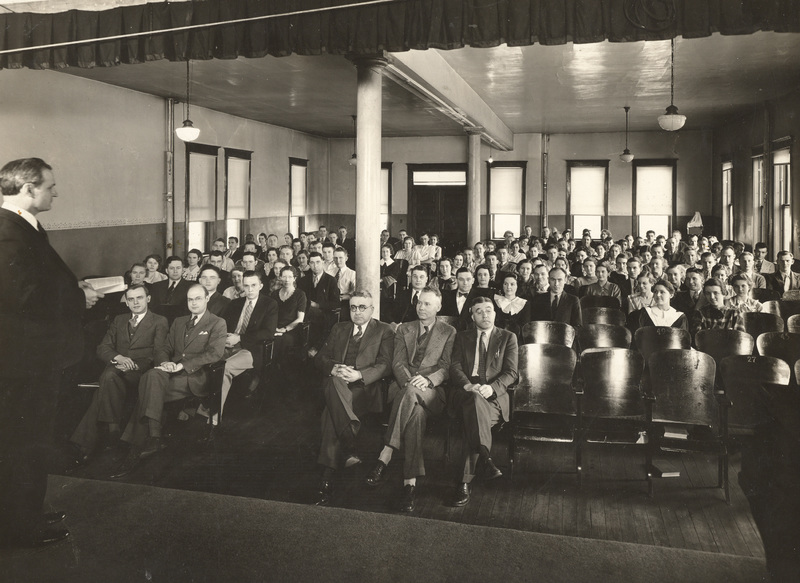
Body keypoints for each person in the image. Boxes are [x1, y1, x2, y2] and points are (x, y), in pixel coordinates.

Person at [0, 158, 104, 547]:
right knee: (22, 444)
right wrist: (79, 297)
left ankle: (26, 513)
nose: (55, 192)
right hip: (24, 362)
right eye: (50, 186)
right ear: (27, 188)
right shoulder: (8, 232)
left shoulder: (24, 226)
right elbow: (24, 296)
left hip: (33, 359)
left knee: (30, 442)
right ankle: (18, 527)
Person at [114, 284, 226, 477]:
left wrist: (183, 365)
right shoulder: (179, 321)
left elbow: (214, 354)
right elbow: (164, 347)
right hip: (172, 371)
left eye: (198, 298)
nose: (193, 303)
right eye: (190, 299)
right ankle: (154, 438)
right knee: (151, 376)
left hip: (194, 376)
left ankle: (140, 445)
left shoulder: (217, 322)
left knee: (147, 388)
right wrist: (165, 362)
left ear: (207, 299)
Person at [364, 287, 456, 512]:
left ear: (438, 307)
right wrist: (410, 381)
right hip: (404, 386)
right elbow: (397, 363)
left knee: (412, 396)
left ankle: (386, 453)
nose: (421, 307)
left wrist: (429, 380)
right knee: (415, 416)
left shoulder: (449, 332)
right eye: (419, 303)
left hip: (432, 390)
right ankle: (410, 484)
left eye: (427, 304)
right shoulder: (404, 329)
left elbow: (446, 366)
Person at [70, 284, 169, 462]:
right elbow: (103, 348)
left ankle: (95, 438)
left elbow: (158, 351)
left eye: (139, 297)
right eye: (131, 299)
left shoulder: (159, 321)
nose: (135, 302)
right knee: (109, 376)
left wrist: (135, 365)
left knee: (106, 379)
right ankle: (113, 432)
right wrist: (119, 358)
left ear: (148, 299)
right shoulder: (119, 319)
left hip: (141, 371)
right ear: (126, 302)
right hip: (117, 368)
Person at [315, 291, 394, 506]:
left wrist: (359, 374)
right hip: (337, 382)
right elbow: (320, 356)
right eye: (353, 307)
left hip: (364, 388)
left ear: (371, 309)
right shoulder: (339, 328)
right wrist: (333, 368)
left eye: (362, 307)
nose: (357, 312)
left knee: (329, 414)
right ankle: (348, 441)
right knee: (333, 383)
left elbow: (386, 364)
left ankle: (328, 475)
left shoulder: (384, 330)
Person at [448, 296, 518, 507]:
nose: (484, 314)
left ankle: (465, 482)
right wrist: (468, 385)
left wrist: (492, 388)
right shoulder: (462, 337)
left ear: (495, 313)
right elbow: (455, 367)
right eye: (479, 311)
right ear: (472, 316)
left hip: (494, 397)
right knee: (474, 404)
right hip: (467, 391)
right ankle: (485, 459)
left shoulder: (508, 337)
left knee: (475, 417)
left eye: (488, 310)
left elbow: (512, 372)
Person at [217, 271, 278, 421]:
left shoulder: (269, 304)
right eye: (246, 286)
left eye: (253, 285)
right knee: (208, 363)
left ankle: (213, 417)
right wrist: (225, 337)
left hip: (251, 349)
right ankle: (204, 405)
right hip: (229, 344)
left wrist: (240, 338)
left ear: (261, 286)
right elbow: (222, 324)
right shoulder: (235, 303)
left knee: (223, 368)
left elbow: (268, 333)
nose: (249, 289)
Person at [299, 251, 340, 353]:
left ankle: (316, 348)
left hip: (325, 315)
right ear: (309, 264)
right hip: (306, 314)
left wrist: (318, 305)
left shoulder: (331, 280)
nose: (315, 266)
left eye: (318, 262)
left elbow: (336, 303)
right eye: (312, 263)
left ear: (322, 262)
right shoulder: (303, 281)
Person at [271, 266, 307, 376]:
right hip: (274, 327)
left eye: (290, 277)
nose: (287, 280)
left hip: (292, 330)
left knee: (281, 341)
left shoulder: (300, 295)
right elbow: (270, 315)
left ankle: (280, 373)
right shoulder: (274, 294)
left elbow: (299, 319)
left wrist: (284, 329)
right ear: (280, 278)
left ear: (294, 278)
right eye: (284, 277)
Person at [493, 273, 531, 339]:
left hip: (518, 340)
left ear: (517, 286)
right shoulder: (496, 301)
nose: (508, 287)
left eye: (512, 284)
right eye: (505, 284)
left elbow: (525, 326)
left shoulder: (524, 303)